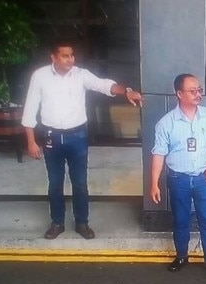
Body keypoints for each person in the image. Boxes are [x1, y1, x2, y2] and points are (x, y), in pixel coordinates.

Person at [21, 40, 142, 240]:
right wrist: (31, 141)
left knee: (79, 182)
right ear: (53, 57)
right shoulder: (40, 76)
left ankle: (82, 223)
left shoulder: (80, 75)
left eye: (72, 55)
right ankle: (57, 223)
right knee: (55, 183)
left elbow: (104, 84)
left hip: (77, 136)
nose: (70, 59)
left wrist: (126, 91)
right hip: (51, 137)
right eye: (65, 55)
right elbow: (30, 107)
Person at [150, 73, 206, 277]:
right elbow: (159, 153)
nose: (197, 94)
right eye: (192, 91)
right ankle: (182, 256)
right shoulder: (166, 123)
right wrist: (154, 184)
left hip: (204, 178)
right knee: (181, 219)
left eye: (199, 90)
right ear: (179, 93)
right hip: (178, 179)